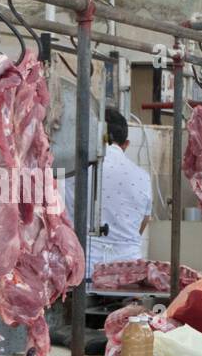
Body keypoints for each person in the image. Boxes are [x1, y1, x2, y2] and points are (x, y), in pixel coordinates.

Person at [59, 107, 154, 279]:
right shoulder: (143, 177)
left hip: (83, 269)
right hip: (129, 273)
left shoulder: (70, 171)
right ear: (126, 144)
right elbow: (143, 222)